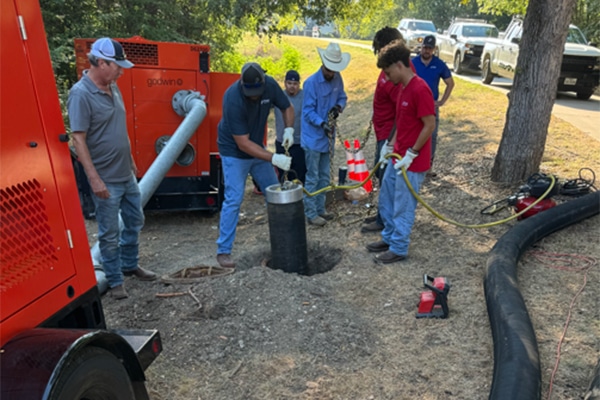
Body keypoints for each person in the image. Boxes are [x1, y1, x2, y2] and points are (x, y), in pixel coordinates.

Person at [68, 37, 157, 300]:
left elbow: (120, 127)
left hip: (124, 174)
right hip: (105, 177)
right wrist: (94, 179)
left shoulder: (113, 87)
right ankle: (115, 280)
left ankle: (130, 265)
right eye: (117, 66)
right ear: (102, 62)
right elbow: (78, 138)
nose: (121, 71)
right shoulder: (81, 94)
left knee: (135, 220)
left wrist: (130, 158)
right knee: (109, 233)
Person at [216, 62, 294, 269]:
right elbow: (242, 143)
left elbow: (287, 107)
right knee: (234, 198)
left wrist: (289, 130)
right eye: (250, 93)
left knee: (275, 192)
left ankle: (283, 241)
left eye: (257, 92)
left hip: (256, 147)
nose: (254, 97)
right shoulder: (232, 98)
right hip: (233, 151)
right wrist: (273, 158)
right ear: (242, 83)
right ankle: (223, 250)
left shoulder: (269, 85)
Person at [367, 42, 435, 264]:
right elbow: (401, 121)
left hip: (411, 163)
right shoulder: (403, 88)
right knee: (387, 198)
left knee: (403, 205)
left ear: (399, 65)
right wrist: (389, 146)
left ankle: (398, 247)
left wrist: (412, 153)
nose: (386, 78)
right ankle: (388, 237)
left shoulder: (420, 89)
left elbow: (429, 125)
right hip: (397, 156)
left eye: (388, 73)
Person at [361, 27, 405, 234]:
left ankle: (385, 220)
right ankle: (382, 215)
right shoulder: (386, 71)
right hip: (381, 130)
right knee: (381, 175)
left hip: (389, 134)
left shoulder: (397, 76)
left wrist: (390, 142)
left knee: (386, 177)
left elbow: (401, 111)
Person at [301, 42, 350, 226]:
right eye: (329, 69)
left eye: (334, 70)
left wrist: (338, 108)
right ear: (323, 64)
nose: (331, 73)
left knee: (324, 176)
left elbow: (342, 97)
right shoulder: (311, 83)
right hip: (313, 137)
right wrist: (322, 123)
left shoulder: (337, 78)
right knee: (312, 176)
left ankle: (321, 208)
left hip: (328, 138)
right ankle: (311, 212)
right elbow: (307, 111)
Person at [411, 35, 454, 174]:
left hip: (431, 106)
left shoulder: (439, 64)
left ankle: (428, 165)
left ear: (434, 49)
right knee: (414, 133)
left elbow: (450, 83)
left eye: (429, 48)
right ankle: (413, 162)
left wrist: (441, 101)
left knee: (432, 135)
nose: (426, 50)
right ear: (421, 47)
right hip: (414, 105)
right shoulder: (413, 63)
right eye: (424, 47)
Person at [274, 70, 306, 184]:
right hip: (282, 142)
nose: (292, 86)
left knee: (300, 174)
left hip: (300, 143)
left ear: (299, 84)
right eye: (289, 83)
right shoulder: (278, 96)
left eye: (295, 84)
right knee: (283, 174)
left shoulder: (305, 97)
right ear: (285, 83)